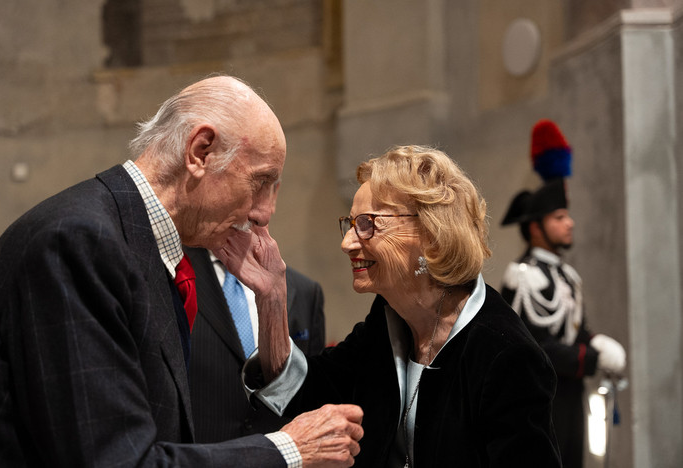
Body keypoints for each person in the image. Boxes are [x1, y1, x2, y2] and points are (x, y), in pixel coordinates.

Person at [0, 74, 363, 467]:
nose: (264, 213)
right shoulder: (81, 241)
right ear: (201, 152)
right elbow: (115, 460)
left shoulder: (135, 242)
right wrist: (288, 450)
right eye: (260, 182)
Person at [222, 144, 562, 467]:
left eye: (367, 224)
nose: (347, 243)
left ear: (430, 233)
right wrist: (271, 299)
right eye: (350, 224)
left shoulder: (507, 354)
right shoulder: (385, 323)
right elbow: (306, 396)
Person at [500, 119, 626, 468]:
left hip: (571, 395)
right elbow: (532, 345)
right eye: (559, 216)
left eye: (567, 215)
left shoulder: (567, 276)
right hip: (537, 399)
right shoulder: (521, 277)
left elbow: (574, 330)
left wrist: (597, 342)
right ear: (535, 228)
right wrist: (590, 360)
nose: (569, 223)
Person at [185, 244, 326, 442]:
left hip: (278, 453)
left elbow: (313, 396)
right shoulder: (176, 272)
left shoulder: (305, 291)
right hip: (195, 452)